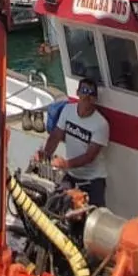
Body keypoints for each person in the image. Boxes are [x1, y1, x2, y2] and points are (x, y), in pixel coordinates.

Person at [35, 77, 109, 207]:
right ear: (78, 93)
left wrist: (65, 164)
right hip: (71, 174)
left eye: (91, 93)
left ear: (95, 99)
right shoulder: (68, 110)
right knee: (55, 206)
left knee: (92, 218)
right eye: (84, 91)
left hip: (93, 180)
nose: (87, 96)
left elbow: (89, 157)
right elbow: (56, 135)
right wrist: (44, 156)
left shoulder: (101, 124)